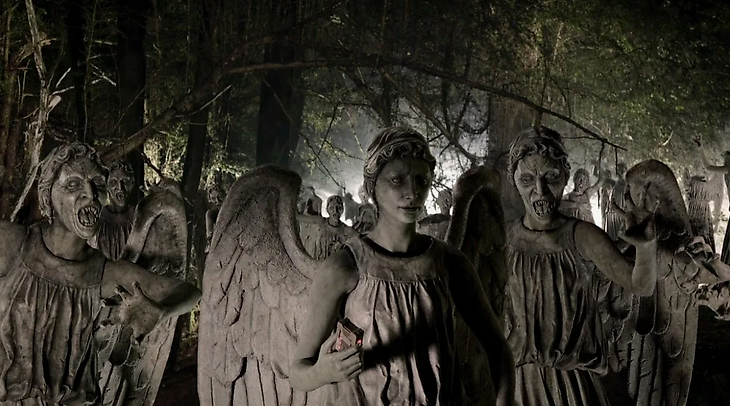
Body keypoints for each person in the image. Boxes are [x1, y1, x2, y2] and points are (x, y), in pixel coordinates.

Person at [290, 127, 515, 406]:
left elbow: (497, 347)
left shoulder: (450, 263)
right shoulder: (344, 267)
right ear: (372, 188)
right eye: (397, 180)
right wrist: (322, 372)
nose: (412, 192)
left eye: (422, 180)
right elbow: (298, 372)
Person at [0, 143, 201, 405]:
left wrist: (163, 311)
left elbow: (189, 292)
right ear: (48, 194)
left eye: (97, 184)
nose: (90, 194)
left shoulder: (106, 274)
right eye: (73, 184)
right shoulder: (12, 244)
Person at [504, 127, 658, 405]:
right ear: (513, 181)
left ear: (565, 176)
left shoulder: (582, 237)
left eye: (550, 176)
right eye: (527, 179)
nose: (540, 190)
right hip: (518, 384)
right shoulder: (504, 239)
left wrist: (646, 248)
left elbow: (641, 286)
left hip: (570, 386)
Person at [298, 194, 358, 261]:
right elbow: (298, 217)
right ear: (327, 209)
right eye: (332, 208)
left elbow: (360, 240)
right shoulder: (321, 221)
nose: (335, 211)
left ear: (343, 209)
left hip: (335, 264)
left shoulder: (346, 230)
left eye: (339, 208)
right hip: (318, 262)